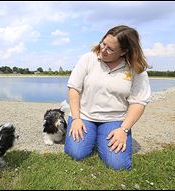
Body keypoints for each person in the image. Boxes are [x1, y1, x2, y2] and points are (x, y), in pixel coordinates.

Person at [64, 25, 151, 170]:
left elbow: (138, 102)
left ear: (124, 51)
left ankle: (100, 138)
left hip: (115, 120)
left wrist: (123, 130)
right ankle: (93, 137)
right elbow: (74, 88)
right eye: (103, 43)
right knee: (76, 153)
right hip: (84, 116)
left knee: (118, 165)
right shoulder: (88, 58)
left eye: (110, 49)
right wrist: (76, 119)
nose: (103, 50)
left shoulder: (136, 69)